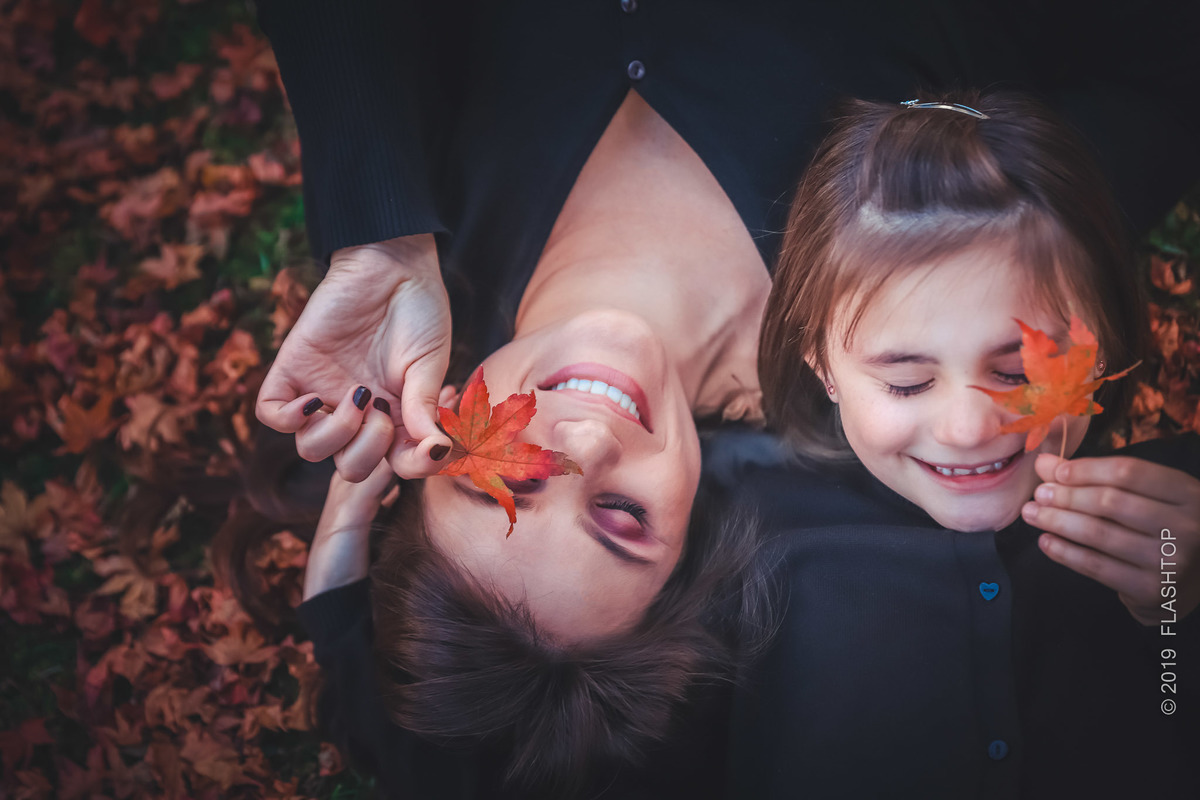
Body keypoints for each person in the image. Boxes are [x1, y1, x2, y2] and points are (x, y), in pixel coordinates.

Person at [732, 90, 1200, 797]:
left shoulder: (1178, 523)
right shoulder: (742, 542)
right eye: (908, 383)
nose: (968, 428)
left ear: (1103, 339)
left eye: (1016, 372)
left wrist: (1179, 614)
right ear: (821, 365)